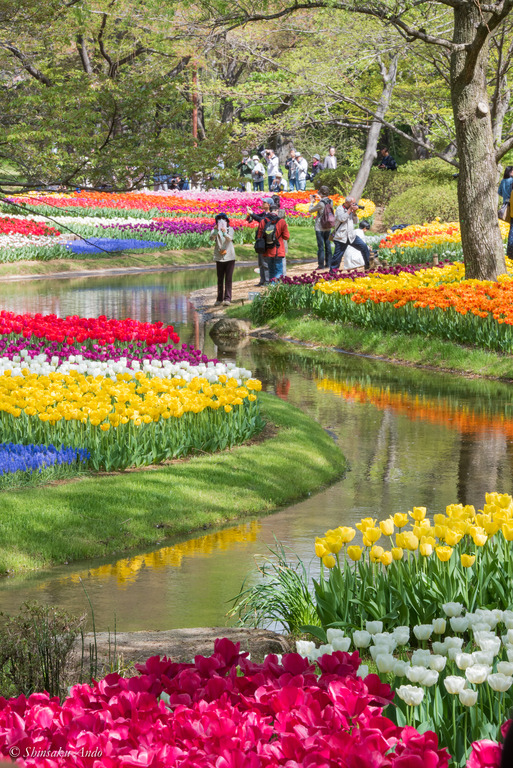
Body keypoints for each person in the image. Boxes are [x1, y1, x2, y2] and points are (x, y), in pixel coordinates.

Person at [330, 196, 370, 270]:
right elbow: (342, 218)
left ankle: (367, 266)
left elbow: (356, 222)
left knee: (364, 247)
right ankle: (332, 273)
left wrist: (354, 213)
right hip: (341, 237)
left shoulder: (351, 210)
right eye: (352, 203)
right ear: (347, 202)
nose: (354, 204)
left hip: (351, 236)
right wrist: (350, 210)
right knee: (337, 256)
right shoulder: (340, 209)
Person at [256, 199, 290, 280]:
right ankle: (275, 288)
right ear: (277, 211)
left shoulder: (263, 221)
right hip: (278, 250)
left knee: (271, 271)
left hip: (267, 250)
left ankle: (271, 287)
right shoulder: (281, 221)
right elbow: (286, 237)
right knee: (278, 271)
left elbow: (259, 235)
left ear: (270, 210)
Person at [210, 213, 236, 306]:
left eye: (223, 220)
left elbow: (230, 239)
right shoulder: (214, 230)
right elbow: (211, 238)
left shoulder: (230, 229)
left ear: (227, 221)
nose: (221, 222)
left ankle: (227, 299)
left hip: (229, 257)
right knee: (220, 278)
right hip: (219, 257)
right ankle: (219, 298)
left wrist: (225, 233)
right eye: (219, 220)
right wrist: (216, 231)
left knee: (228, 278)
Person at [247, 198, 273, 285]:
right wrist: (250, 214)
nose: (262, 203)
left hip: (266, 240)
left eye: (264, 202)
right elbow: (257, 217)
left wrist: (252, 214)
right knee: (260, 261)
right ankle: (262, 280)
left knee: (265, 261)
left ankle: (267, 281)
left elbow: (262, 220)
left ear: (269, 204)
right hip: (260, 239)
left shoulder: (270, 215)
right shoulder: (264, 213)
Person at [308, 185, 334, 269]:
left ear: (321, 193)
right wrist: (320, 198)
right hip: (328, 226)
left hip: (320, 227)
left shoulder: (321, 203)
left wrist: (312, 202)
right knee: (328, 245)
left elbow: (310, 210)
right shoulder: (331, 201)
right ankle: (329, 263)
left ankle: (321, 265)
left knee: (321, 247)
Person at [499, 166, 513, 256]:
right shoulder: (512, 181)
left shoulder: (503, 181)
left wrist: (505, 197)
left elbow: (499, 192)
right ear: (510, 172)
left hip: (505, 204)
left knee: (511, 230)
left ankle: (510, 251)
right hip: (511, 203)